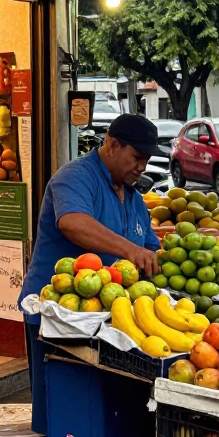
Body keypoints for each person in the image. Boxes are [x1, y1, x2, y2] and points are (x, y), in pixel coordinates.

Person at [19, 113, 162, 302]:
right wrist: (130, 250)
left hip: (105, 312)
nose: (142, 167)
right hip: (56, 311)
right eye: (137, 158)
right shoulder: (75, 176)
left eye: (147, 160)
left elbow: (150, 250)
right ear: (113, 146)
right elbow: (72, 223)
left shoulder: (134, 199)